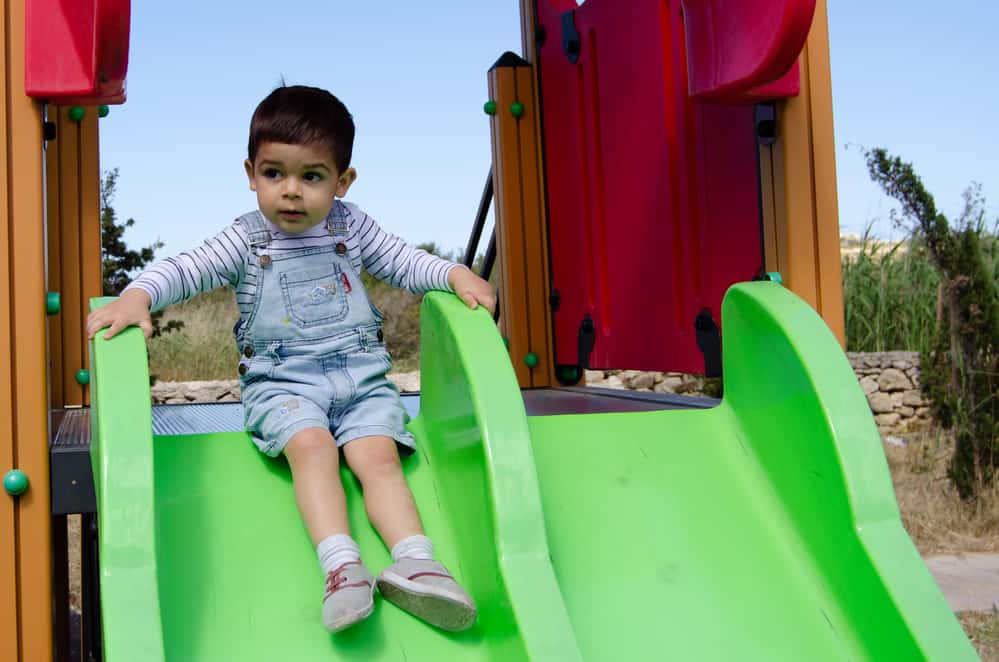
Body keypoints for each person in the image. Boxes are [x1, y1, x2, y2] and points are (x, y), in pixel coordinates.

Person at [86, 85, 495, 633]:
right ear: (251, 172)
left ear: (342, 181)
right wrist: (137, 295)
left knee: (377, 456)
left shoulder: (350, 227)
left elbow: (402, 260)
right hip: (283, 385)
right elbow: (185, 269)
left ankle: (417, 563)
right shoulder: (244, 239)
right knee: (313, 447)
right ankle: (342, 566)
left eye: (312, 176)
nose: (292, 193)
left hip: (359, 379)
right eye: (275, 174)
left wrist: (452, 273)